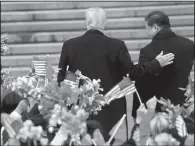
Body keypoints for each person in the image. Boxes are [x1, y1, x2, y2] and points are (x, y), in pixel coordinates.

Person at [57, 7, 174, 143]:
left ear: (86, 23)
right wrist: (156, 63)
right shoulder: (117, 45)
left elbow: (62, 79)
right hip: (111, 111)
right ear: (104, 23)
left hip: (79, 110)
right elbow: (133, 73)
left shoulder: (69, 45)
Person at [132, 11, 194, 120]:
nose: (147, 33)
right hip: (183, 106)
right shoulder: (189, 45)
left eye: (147, 29)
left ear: (155, 27)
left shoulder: (147, 51)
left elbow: (142, 83)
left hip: (159, 110)